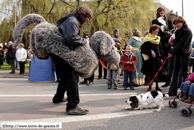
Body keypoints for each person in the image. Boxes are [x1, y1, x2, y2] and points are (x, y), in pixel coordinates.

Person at [50, 5, 93, 115]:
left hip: (58, 52)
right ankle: (72, 106)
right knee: (72, 77)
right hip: (61, 53)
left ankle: (58, 97)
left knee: (65, 76)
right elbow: (71, 38)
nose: (87, 20)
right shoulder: (73, 21)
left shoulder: (71, 20)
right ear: (81, 13)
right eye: (87, 17)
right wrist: (84, 41)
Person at [168, 16, 193, 96]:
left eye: (177, 23)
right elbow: (176, 43)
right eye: (175, 24)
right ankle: (172, 91)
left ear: (182, 22)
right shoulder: (177, 31)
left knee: (184, 73)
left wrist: (172, 51)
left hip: (184, 54)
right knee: (175, 72)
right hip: (177, 53)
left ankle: (184, 92)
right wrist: (172, 43)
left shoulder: (187, 31)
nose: (176, 25)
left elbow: (181, 43)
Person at [152, 7, 174, 81]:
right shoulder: (154, 21)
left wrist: (170, 33)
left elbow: (173, 29)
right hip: (159, 40)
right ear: (158, 12)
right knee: (159, 57)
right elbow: (153, 30)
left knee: (167, 58)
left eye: (163, 11)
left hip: (167, 41)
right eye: (160, 11)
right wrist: (162, 28)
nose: (162, 12)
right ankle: (159, 76)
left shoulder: (168, 21)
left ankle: (168, 77)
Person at [141, 24, 163, 91]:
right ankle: (150, 86)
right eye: (157, 29)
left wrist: (161, 57)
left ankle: (157, 86)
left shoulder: (158, 38)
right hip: (149, 59)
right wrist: (150, 51)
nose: (158, 31)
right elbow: (143, 49)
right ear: (152, 30)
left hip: (157, 59)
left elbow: (160, 49)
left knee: (157, 73)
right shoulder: (147, 38)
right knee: (149, 73)